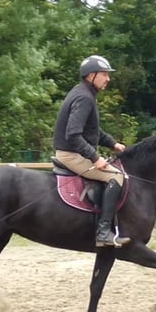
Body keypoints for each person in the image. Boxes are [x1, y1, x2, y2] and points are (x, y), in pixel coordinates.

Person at [53, 55, 130, 247]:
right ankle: (103, 232)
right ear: (91, 75)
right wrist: (95, 158)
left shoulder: (84, 94)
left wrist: (113, 144)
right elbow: (73, 135)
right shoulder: (84, 98)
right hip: (71, 155)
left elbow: (92, 130)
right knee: (116, 177)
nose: (108, 79)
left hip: (75, 152)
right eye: (104, 74)